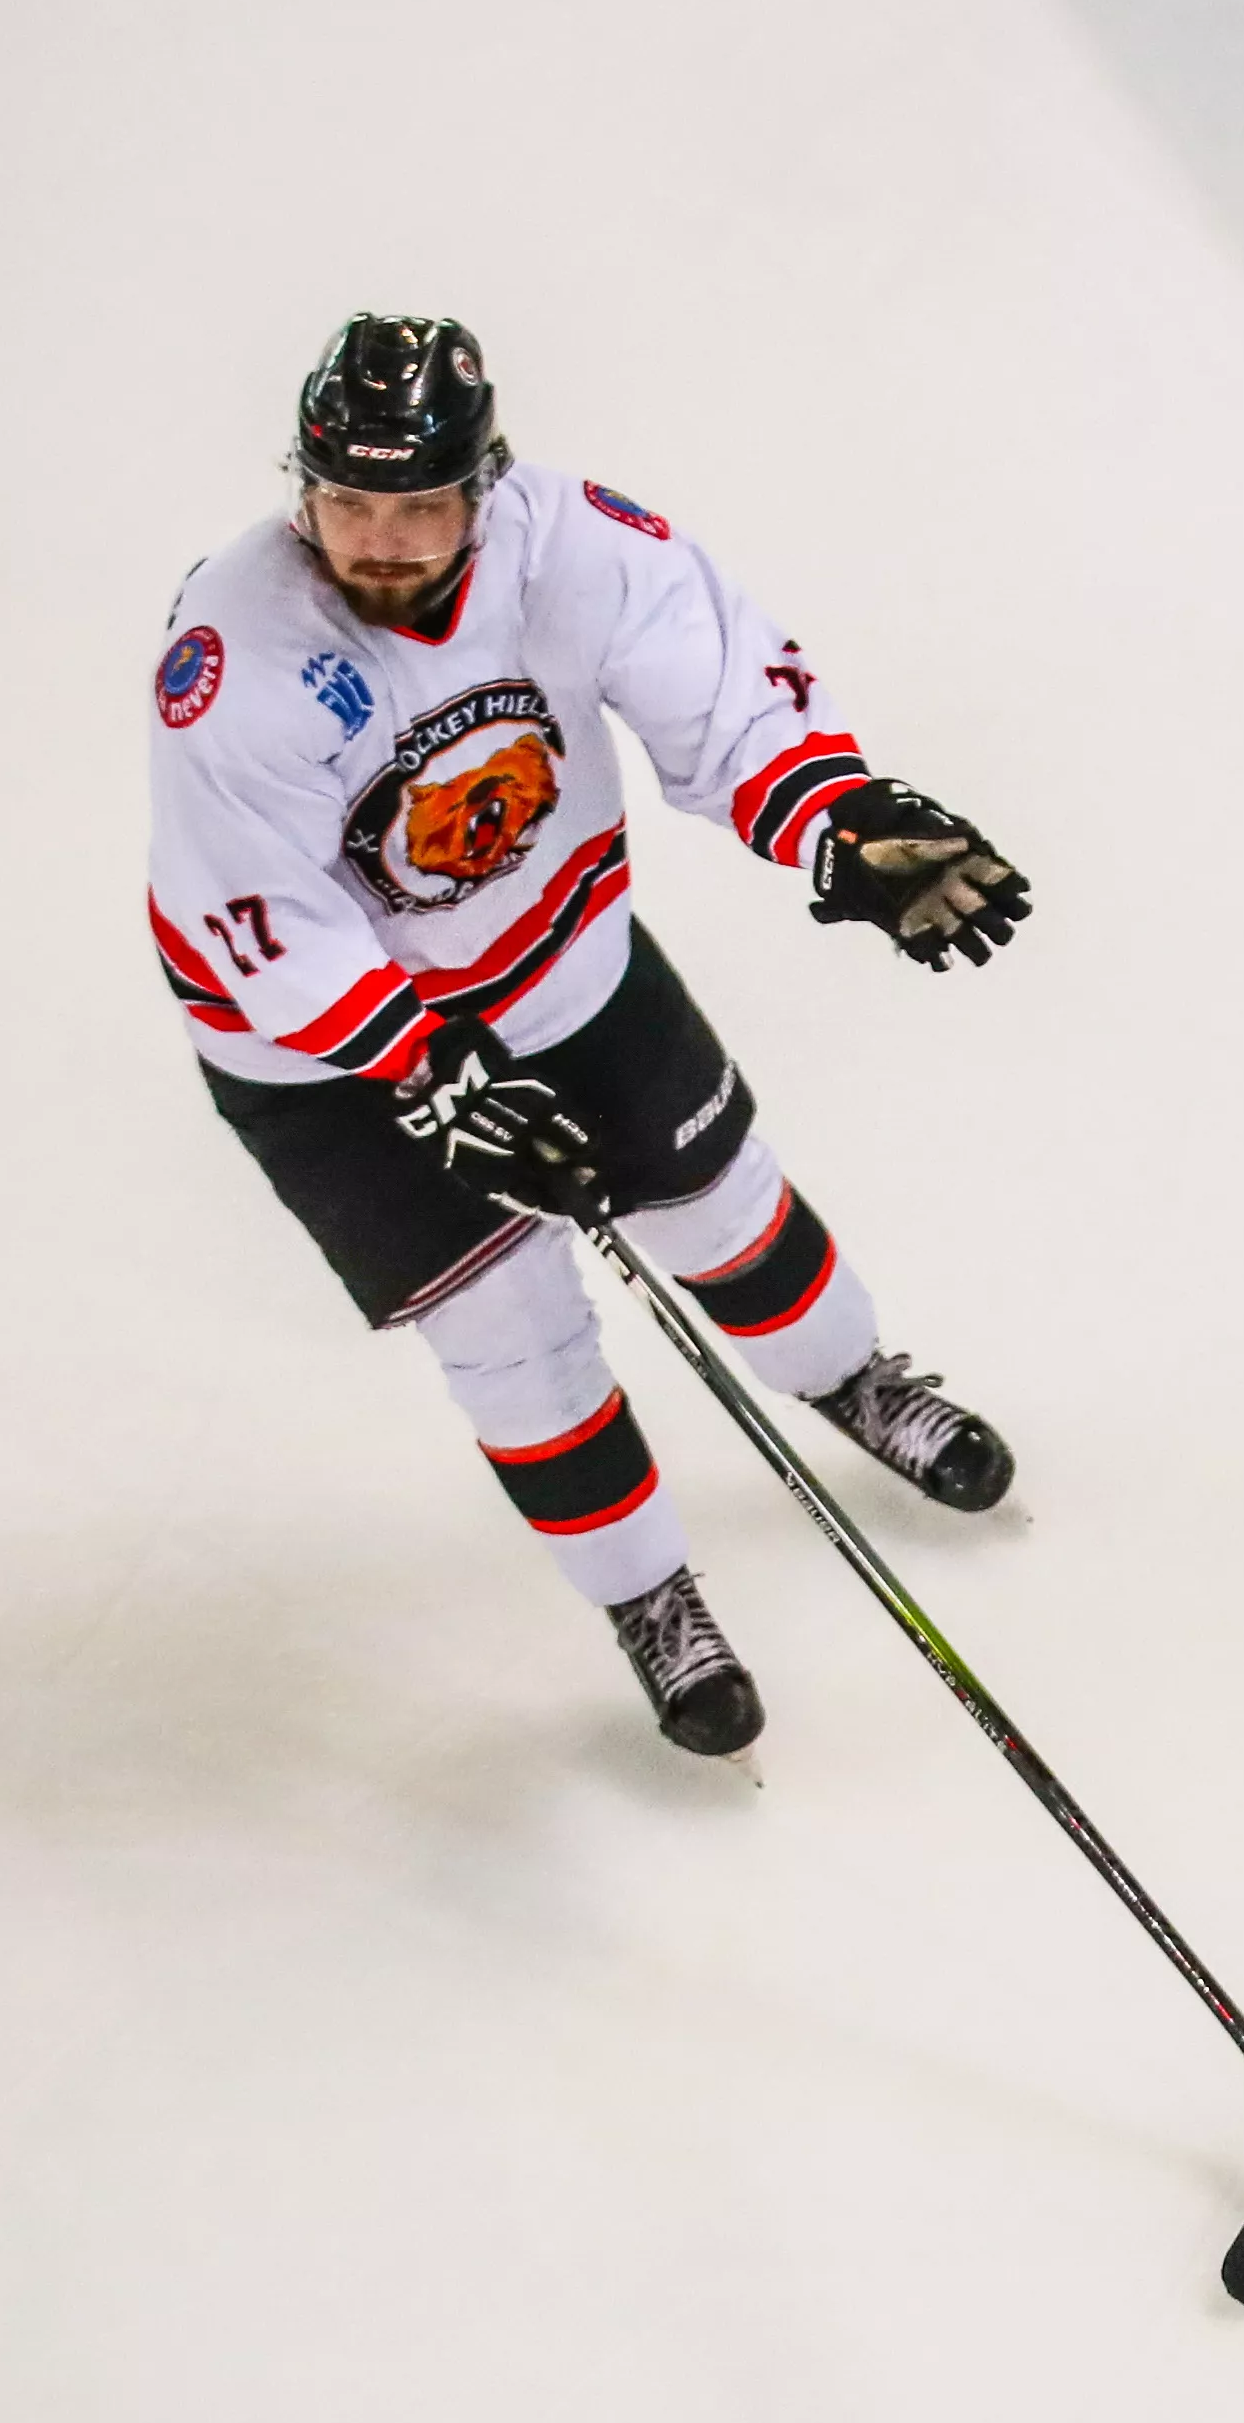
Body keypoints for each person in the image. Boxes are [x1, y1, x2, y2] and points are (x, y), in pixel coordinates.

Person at [150, 314, 1031, 1761]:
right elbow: (262, 926)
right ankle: (650, 1597)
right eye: (344, 500)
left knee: (721, 1207)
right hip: (327, 1057)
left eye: (417, 502)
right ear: (299, 484)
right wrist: (433, 1082)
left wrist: (840, 818)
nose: (374, 537)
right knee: (512, 1338)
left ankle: (854, 1380)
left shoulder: (580, 545)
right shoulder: (227, 655)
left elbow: (723, 699)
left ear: (484, 483)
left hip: (553, 955)